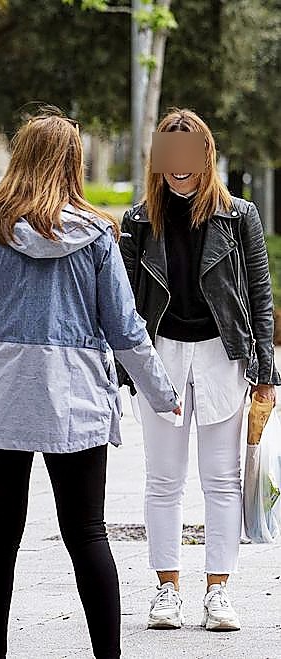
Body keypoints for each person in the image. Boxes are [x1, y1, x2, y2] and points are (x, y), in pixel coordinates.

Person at [0, 114, 181, 659]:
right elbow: (125, 328)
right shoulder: (97, 235)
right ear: (74, 162)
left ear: (19, 157)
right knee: (88, 534)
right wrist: (162, 394)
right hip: (76, 400)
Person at [119, 108, 279, 632]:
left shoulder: (240, 215)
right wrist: (123, 368)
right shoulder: (140, 220)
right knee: (162, 480)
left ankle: (219, 592)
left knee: (222, 480)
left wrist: (265, 371)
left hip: (222, 356)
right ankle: (166, 590)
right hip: (159, 355)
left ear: (206, 157)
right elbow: (125, 300)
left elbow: (259, 291)